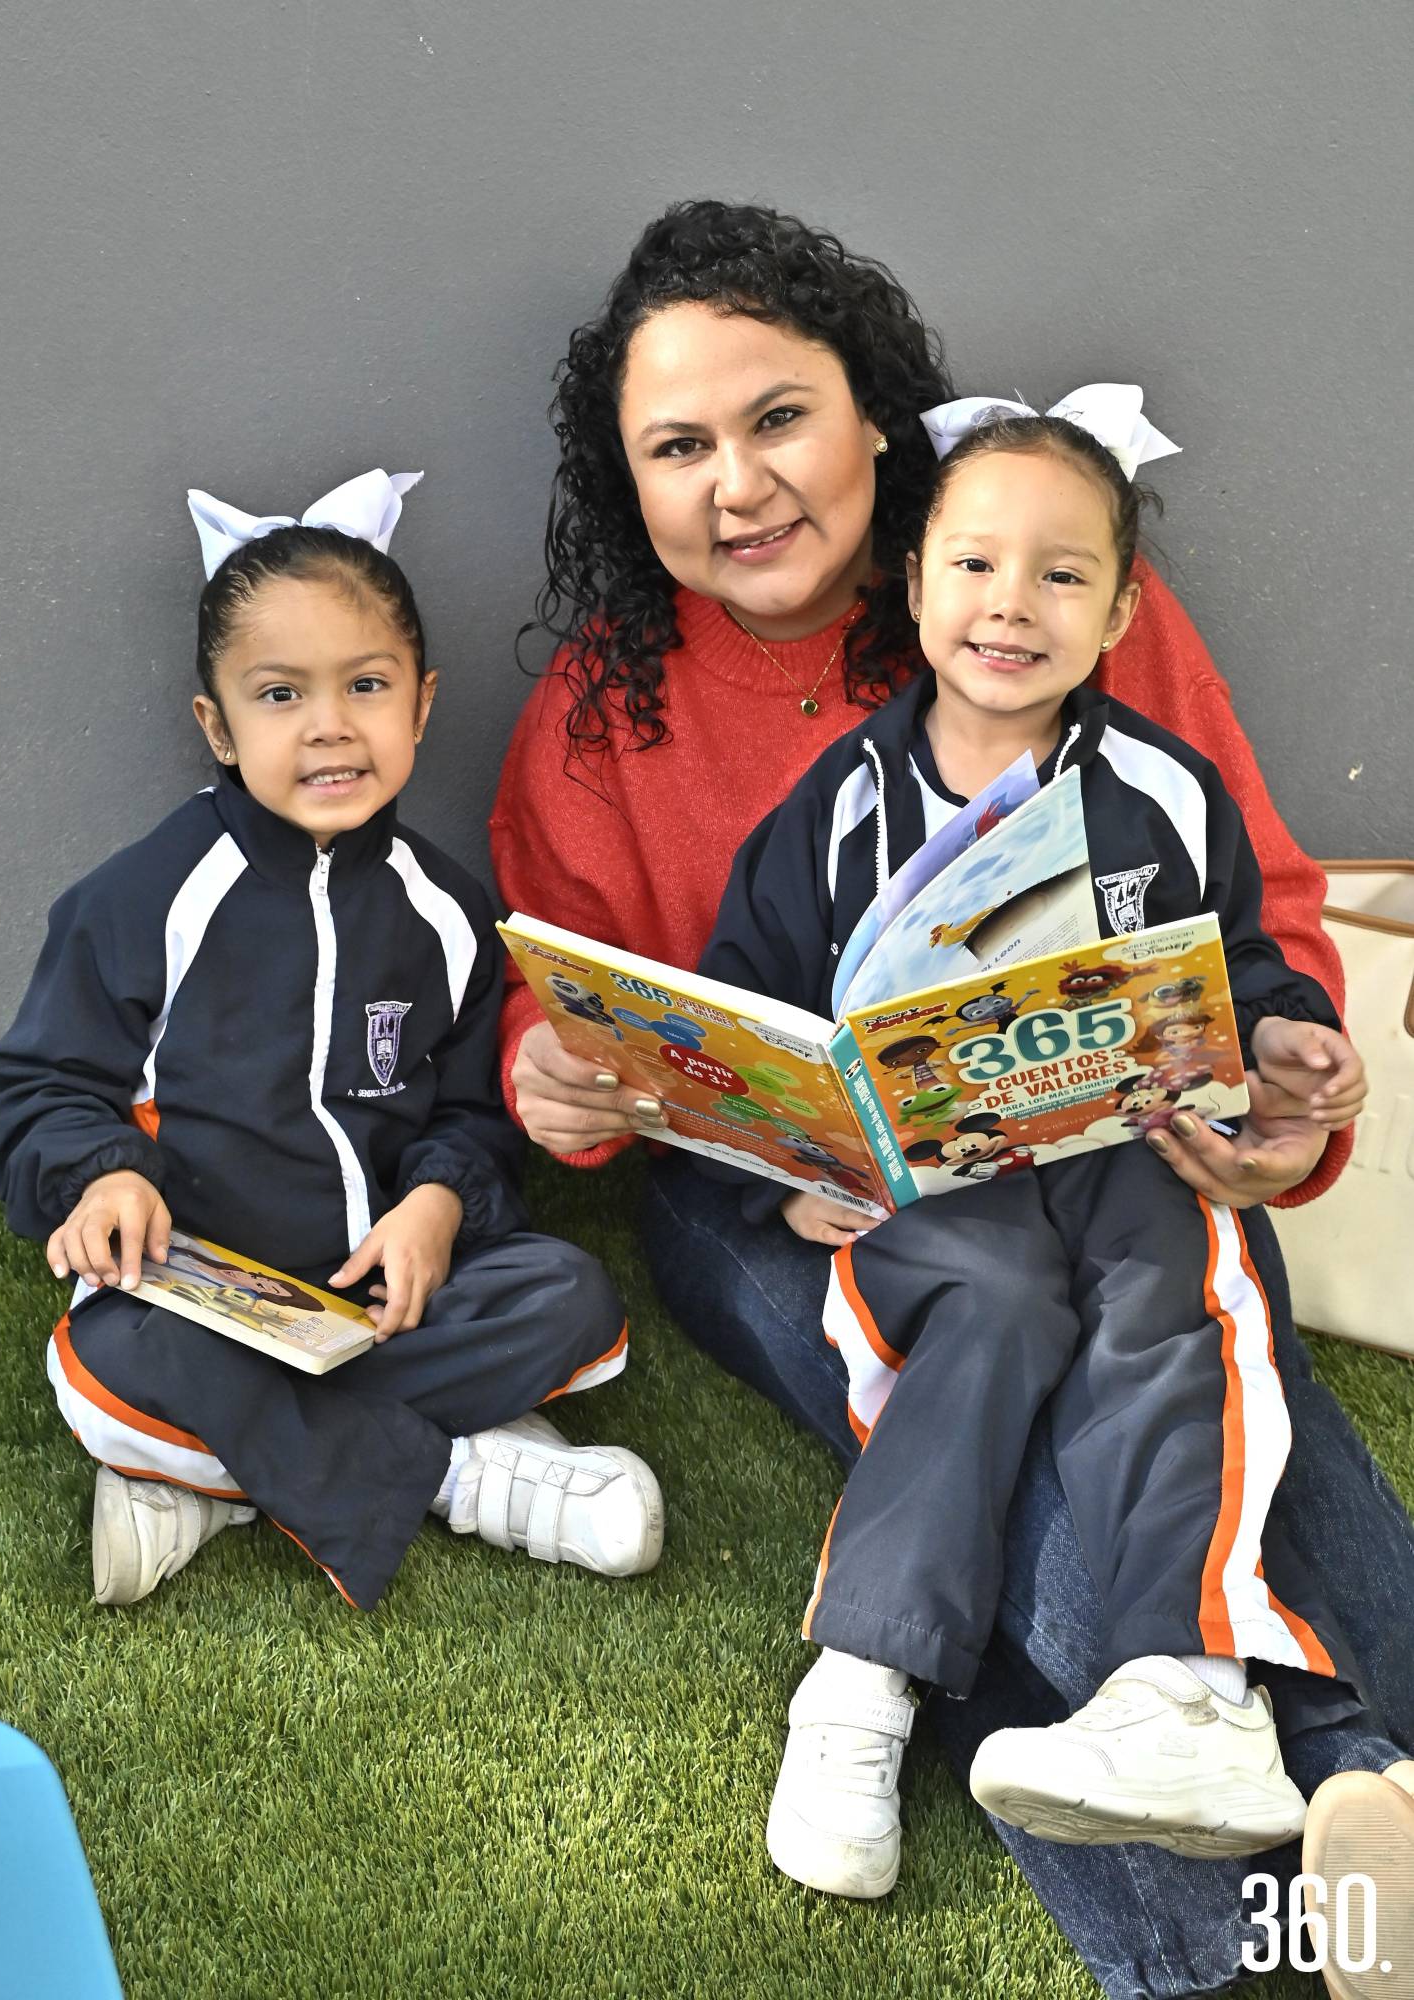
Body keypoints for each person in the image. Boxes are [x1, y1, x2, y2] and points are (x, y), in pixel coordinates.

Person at [490, 200, 1414, 1997]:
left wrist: (1286, 1112)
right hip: (797, 1196)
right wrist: (563, 1090)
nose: (738, 483)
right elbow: (575, 1043)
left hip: (1110, 1143)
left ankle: (1362, 1827)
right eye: (676, 447)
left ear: (876, 429)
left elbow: (1253, 924)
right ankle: (1262, 1950)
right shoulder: (593, 724)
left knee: (1216, 1408)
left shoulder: (1055, 589)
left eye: (778, 418)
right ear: (627, 483)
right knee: (1023, 1412)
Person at [698, 388, 1399, 1890]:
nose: (1010, 605)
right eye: (973, 565)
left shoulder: (1160, 787)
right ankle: (860, 1690)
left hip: (1124, 1153)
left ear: (1119, 608)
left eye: (1061, 574)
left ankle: (1187, 1695)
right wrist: (793, 1172)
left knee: (1179, 1294)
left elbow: (1239, 968)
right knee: (997, 1312)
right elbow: (744, 1029)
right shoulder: (836, 809)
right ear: (912, 580)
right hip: (930, 1199)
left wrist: (1279, 1039)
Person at [0, 470, 663, 1611]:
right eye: (279, 693)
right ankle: (461, 1472)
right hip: (196, 1294)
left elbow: (467, 1114)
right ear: (216, 723)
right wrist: (100, 1175)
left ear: (422, 701)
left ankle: (206, 1473)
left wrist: (438, 1205)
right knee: (106, 1366)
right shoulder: (144, 897)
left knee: (568, 1297)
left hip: (373, 1298)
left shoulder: (447, 911)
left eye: (364, 683)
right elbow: (43, 1086)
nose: (329, 724)